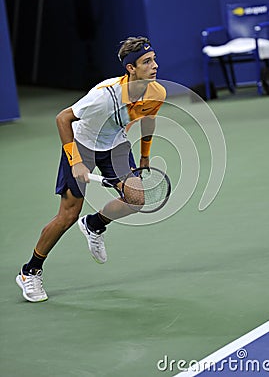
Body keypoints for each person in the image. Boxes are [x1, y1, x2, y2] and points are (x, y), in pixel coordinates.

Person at [16, 36, 166, 303]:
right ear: (130, 68)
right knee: (67, 216)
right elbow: (63, 118)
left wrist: (144, 157)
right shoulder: (103, 97)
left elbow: (148, 122)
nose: (154, 65)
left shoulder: (156, 92)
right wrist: (76, 162)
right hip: (83, 142)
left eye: (154, 59)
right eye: (147, 62)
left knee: (136, 199)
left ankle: (94, 224)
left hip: (115, 143)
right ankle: (30, 271)